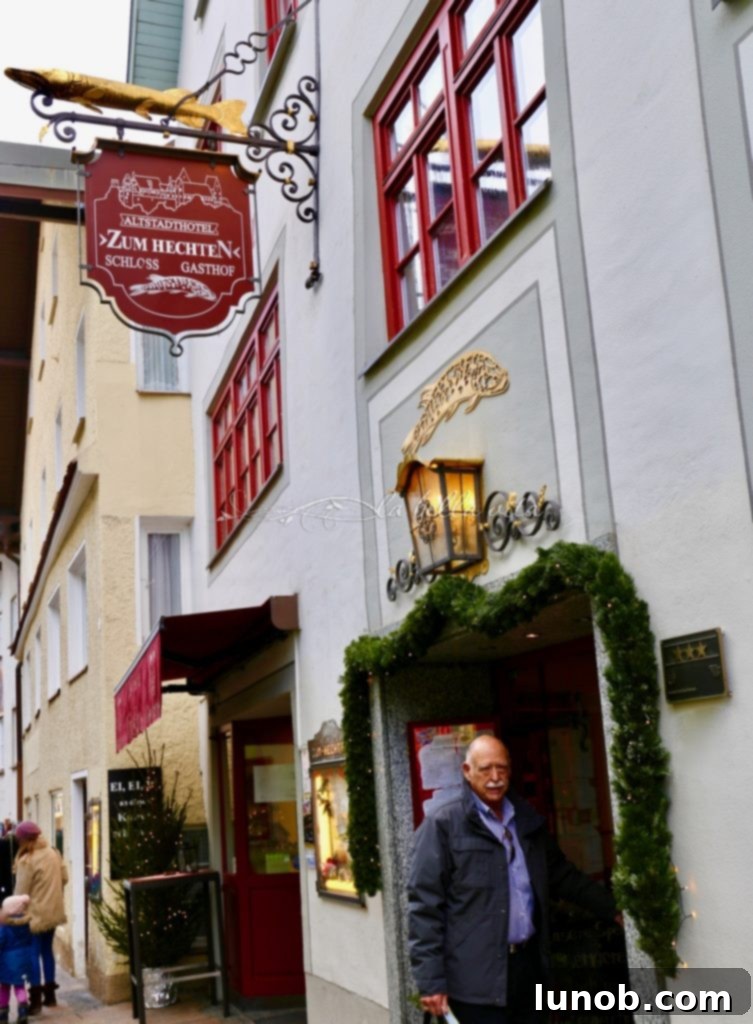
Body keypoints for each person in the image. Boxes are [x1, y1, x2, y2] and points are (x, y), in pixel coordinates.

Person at [408, 735, 621, 1024]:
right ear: (467, 772)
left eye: (502, 768)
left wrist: (613, 908)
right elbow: (424, 907)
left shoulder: (525, 820)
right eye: (485, 769)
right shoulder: (443, 825)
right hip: (475, 982)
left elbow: (562, 876)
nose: (495, 777)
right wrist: (431, 982)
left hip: (528, 969)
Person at [13, 823, 67, 1017]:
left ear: (25, 839)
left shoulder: (27, 861)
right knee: (47, 951)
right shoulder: (53, 853)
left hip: (35, 916)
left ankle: (35, 1001)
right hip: (53, 912)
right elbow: (65, 877)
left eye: (19, 839)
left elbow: (20, 893)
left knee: (32, 954)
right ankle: (50, 996)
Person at [0, 894, 33, 1023]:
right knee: (20, 986)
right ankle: (23, 1012)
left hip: (6, 963)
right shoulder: (26, 923)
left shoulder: (4, 926)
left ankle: (3, 1014)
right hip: (23, 960)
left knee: (4, 987)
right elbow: (30, 939)